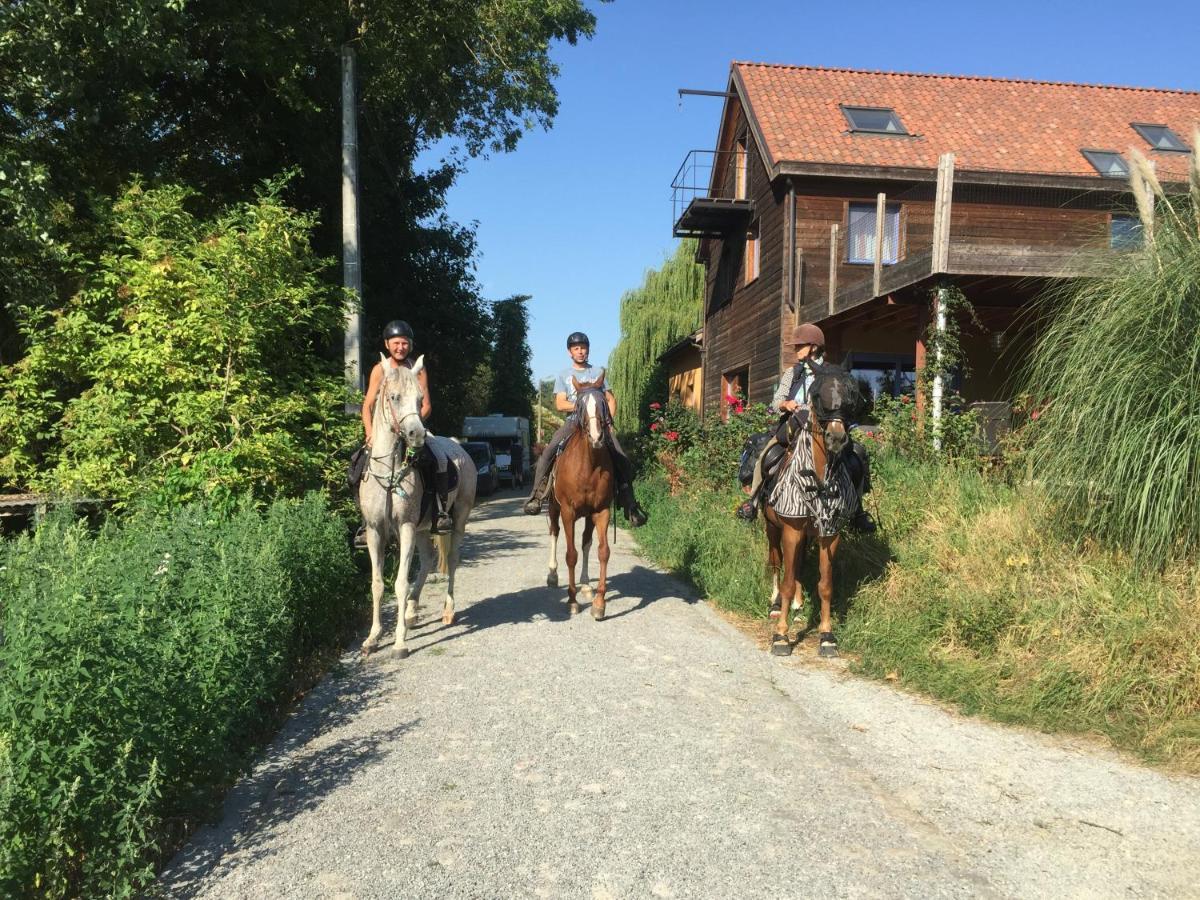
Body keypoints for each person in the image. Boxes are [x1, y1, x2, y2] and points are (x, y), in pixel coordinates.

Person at [736, 323, 876, 532]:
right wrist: (786, 404)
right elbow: (776, 403)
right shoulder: (791, 373)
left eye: (799, 346)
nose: (795, 350)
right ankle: (753, 502)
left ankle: (857, 512)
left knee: (856, 455)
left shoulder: (831, 373)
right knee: (767, 453)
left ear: (813, 347)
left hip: (824, 427)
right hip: (794, 424)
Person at [522, 331, 647, 526]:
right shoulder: (564, 375)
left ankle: (630, 503)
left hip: (598, 423)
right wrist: (584, 405)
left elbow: (611, 400)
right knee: (549, 450)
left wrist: (607, 422)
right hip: (574, 422)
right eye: (576, 349)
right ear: (570, 352)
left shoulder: (598, 373)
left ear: (588, 350)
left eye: (583, 348)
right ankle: (537, 495)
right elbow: (560, 404)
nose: (580, 352)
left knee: (621, 457)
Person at [361, 319, 453, 533]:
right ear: (387, 344)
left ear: (410, 345)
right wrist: (369, 433)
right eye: (396, 343)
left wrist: (412, 423)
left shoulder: (417, 370)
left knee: (439, 459)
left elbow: (427, 406)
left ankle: (440, 512)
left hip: (413, 428)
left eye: (404, 343)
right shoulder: (379, 370)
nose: (400, 347)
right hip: (384, 432)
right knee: (357, 466)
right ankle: (365, 523)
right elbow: (367, 406)